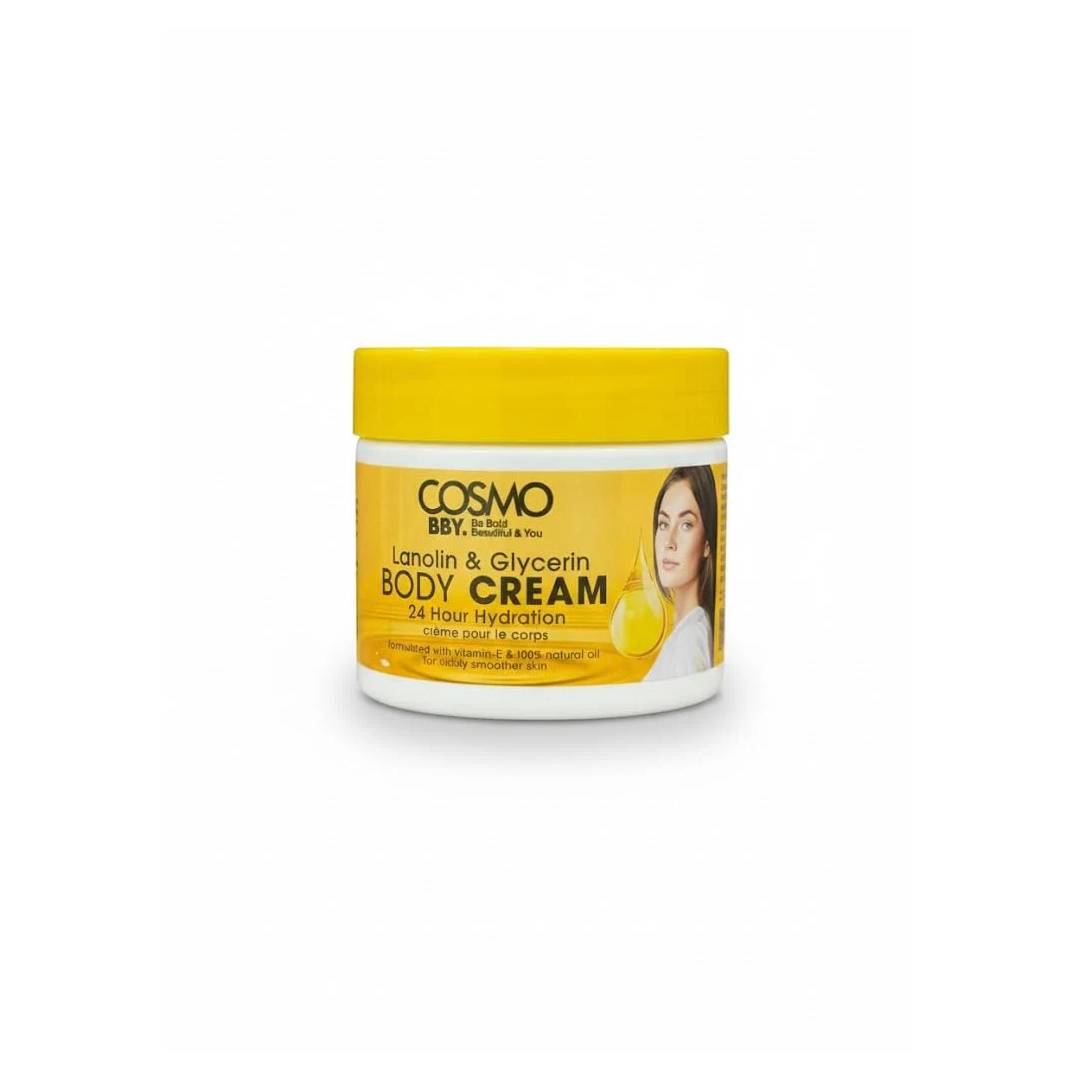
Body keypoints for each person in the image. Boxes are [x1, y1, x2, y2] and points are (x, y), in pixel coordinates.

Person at [643, 466, 718, 681]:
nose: (669, 542)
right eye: (663, 524)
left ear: (706, 544)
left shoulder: (690, 640)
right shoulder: (685, 632)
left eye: (686, 525)